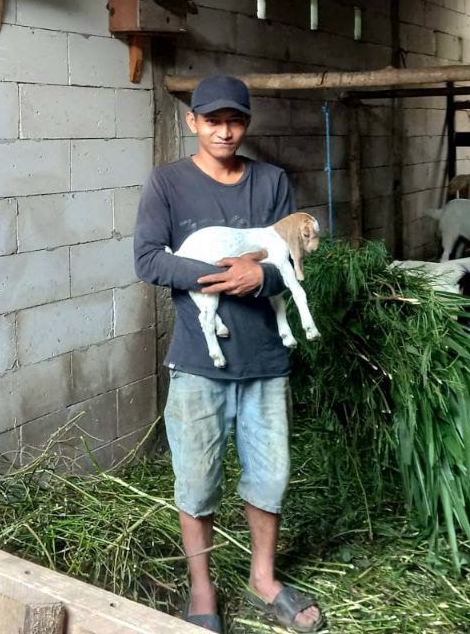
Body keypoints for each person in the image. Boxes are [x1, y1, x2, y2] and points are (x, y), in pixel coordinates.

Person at [133, 74, 325, 633]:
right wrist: (222, 273)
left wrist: (259, 276)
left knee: (271, 476)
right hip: (198, 361)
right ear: (192, 122)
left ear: (247, 123)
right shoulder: (167, 184)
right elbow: (149, 260)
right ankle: (202, 588)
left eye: (235, 120)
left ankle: (263, 577)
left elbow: (291, 261)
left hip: (266, 359)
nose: (224, 130)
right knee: (196, 481)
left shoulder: (270, 182)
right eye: (212, 120)